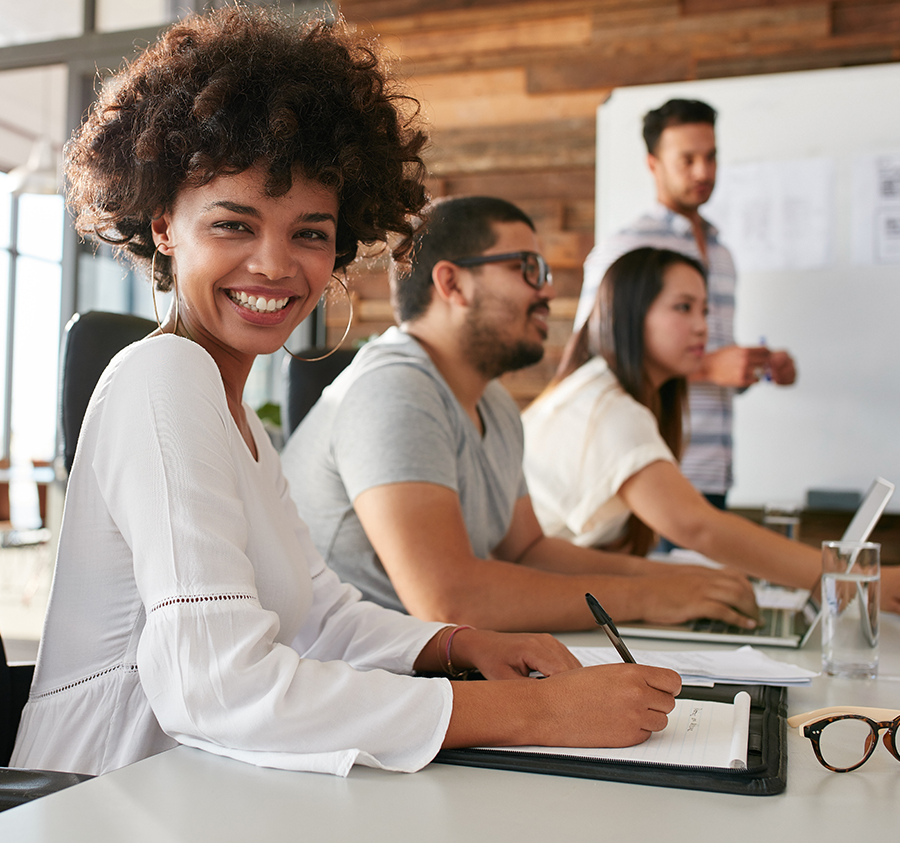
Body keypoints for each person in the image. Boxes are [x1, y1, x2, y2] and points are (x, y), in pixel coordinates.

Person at [9, 6, 681, 780]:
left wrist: (456, 644)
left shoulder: (238, 419)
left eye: (309, 233)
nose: (274, 265)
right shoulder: (165, 378)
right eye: (233, 224)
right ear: (164, 225)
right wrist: (540, 712)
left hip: (203, 788)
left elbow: (320, 613)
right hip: (101, 800)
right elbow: (217, 686)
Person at [282, 196, 758, 634]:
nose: (548, 289)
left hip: (425, 671)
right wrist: (649, 595)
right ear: (453, 284)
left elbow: (529, 552)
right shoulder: (393, 390)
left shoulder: (494, 405)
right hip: (357, 687)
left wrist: (678, 581)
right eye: (527, 268)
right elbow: (449, 601)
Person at [523, 246, 900, 610]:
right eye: (683, 308)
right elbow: (699, 527)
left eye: (705, 310)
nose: (703, 327)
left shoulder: (607, 390)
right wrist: (852, 579)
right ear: (631, 314)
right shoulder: (608, 407)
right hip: (529, 599)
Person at [573, 99, 795, 511]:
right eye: (687, 159)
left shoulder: (722, 254)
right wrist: (710, 366)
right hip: (649, 467)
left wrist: (753, 367)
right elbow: (592, 357)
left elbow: (698, 353)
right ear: (653, 164)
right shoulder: (626, 248)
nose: (704, 172)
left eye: (711, 157)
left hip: (715, 472)